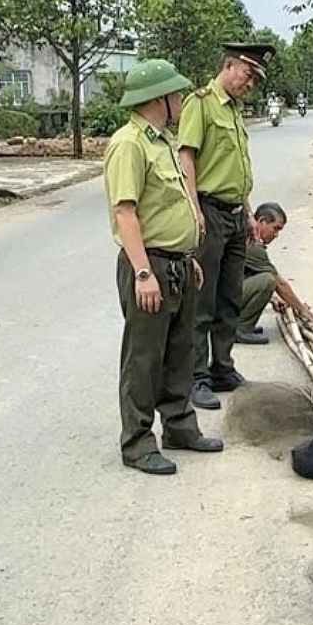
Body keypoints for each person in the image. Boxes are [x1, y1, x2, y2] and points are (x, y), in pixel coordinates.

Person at [103, 58, 225, 475]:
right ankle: (137, 443)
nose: (180, 99)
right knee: (144, 358)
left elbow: (174, 204)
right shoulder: (129, 144)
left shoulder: (164, 141)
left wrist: (188, 256)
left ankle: (179, 426)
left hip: (177, 263)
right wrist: (142, 273)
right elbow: (126, 213)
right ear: (159, 99)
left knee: (179, 351)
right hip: (149, 265)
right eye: (175, 94)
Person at [178, 42, 276, 410]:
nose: (250, 84)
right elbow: (187, 157)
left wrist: (249, 212)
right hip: (209, 211)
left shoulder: (234, 109)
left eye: (254, 80)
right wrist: (194, 210)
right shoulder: (200, 103)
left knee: (229, 298)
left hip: (236, 214)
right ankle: (197, 377)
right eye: (248, 75)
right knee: (202, 301)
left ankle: (222, 368)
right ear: (230, 66)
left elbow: (236, 169)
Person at [236, 202, 313, 345]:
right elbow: (279, 283)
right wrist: (302, 310)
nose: (276, 235)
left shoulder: (244, 234)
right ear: (261, 221)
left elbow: (246, 273)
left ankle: (238, 323)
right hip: (220, 298)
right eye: (275, 228)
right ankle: (241, 328)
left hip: (222, 294)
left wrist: (273, 298)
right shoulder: (252, 245)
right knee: (268, 281)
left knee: (265, 280)